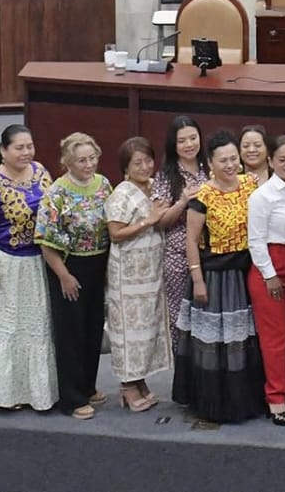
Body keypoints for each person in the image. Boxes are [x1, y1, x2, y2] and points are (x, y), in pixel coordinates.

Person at [173, 130, 265, 423]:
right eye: (222, 160)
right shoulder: (202, 196)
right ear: (210, 163)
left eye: (233, 159)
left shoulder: (252, 185)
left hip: (246, 273)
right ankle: (214, 404)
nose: (229, 165)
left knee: (245, 339)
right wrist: (197, 279)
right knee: (215, 343)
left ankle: (248, 400)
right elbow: (190, 241)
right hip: (214, 277)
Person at [0, 124, 58, 411]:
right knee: (8, 329)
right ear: (3, 151)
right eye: (19, 147)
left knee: (36, 328)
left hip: (38, 262)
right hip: (7, 263)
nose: (26, 152)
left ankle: (38, 393)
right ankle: (5, 395)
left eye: (29, 146)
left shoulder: (41, 171)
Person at [35, 131, 113, 419]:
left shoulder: (104, 185)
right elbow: (45, 240)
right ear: (67, 161)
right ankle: (72, 396)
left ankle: (88, 385)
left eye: (92, 158)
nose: (89, 164)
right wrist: (63, 275)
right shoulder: (57, 192)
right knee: (71, 333)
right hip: (68, 266)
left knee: (94, 328)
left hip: (98, 263)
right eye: (82, 160)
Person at [104, 136, 171, 412]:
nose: (144, 167)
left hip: (152, 273)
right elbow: (116, 233)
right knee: (128, 331)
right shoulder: (121, 194)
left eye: (148, 160)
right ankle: (127, 387)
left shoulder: (155, 188)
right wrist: (148, 221)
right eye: (137, 163)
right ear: (125, 167)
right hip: (127, 276)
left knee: (147, 328)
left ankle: (140, 381)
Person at [247, 133, 285, 424]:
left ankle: (282, 388)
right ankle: (275, 399)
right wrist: (269, 275)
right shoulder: (262, 196)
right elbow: (255, 241)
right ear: (270, 161)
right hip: (269, 270)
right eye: (281, 159)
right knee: (274, 339)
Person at [150, 116, 208, 337]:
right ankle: (182, 369)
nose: (189, 144)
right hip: (177, 256)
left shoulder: (210, 168)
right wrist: (182, 202)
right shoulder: (166, 175)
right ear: (173, 145)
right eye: (182, 140)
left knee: (206, 315)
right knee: (179, 317)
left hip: (209, 254)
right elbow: (161, 222)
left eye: (193, 138)